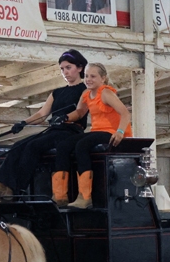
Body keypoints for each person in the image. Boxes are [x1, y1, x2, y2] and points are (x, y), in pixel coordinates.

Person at [0, 50, 89, 201]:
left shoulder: (85, 90)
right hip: (54, 131)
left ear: (79, 68)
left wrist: (65, 118)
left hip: (70, 132)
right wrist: (23, 123)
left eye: (68, 67)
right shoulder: (57, 92)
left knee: (34, 146)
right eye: (62, 69)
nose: (65, 72)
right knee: (18, 145)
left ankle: (16, 190)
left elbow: (79, 112)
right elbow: (42, 114)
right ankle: (1, 184)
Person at [53, 62, 132, 209]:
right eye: (86, 76)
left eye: (93, 76)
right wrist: (64, 118)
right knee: (63, 145)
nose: (88, 79)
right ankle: (60, 196)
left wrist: (120, 132)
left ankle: (85, 197)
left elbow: (125, 113)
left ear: (103, 78)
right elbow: (79, 112)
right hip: (96, 131)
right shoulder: (86, 94)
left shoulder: (106, 93)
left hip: (110, 131)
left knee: (82, 145)